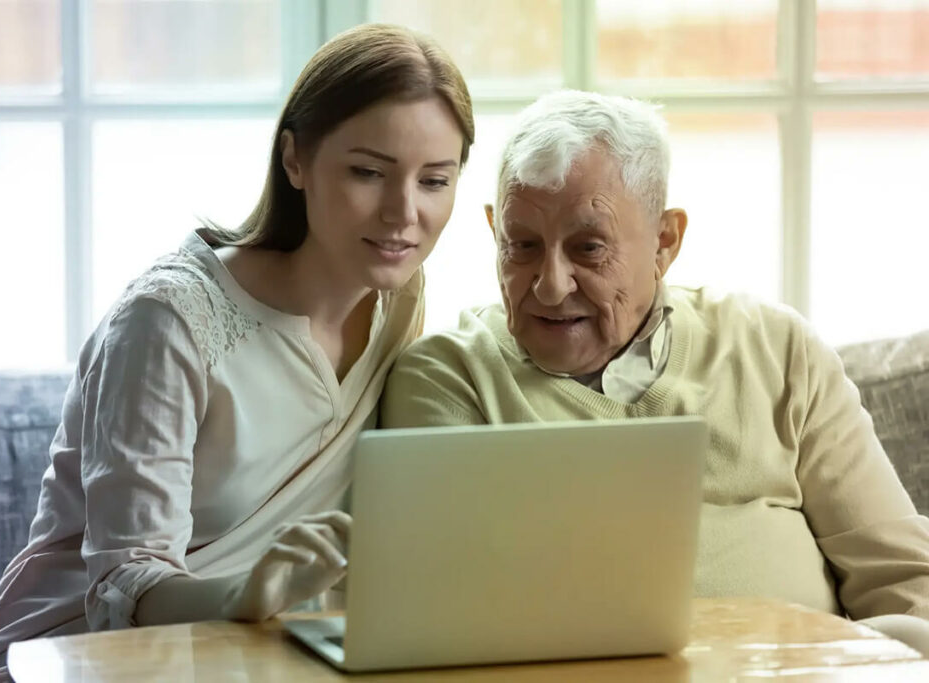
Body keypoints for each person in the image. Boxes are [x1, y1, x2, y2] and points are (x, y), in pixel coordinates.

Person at [0, 23, 474, 683]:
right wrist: (245, 593)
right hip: (71, 659)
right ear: (295, 161)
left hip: (250, 661)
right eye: (368, 172)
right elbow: (121, 584)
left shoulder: (399, 299)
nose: (403, 212)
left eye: (434, 180)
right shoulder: (168, 322)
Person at [380, 89, 929, 654]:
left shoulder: (777, 349)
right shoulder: (448, 379)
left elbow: (901, 578)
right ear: (494, 230)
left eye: (588, 248)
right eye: (522, 245)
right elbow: (448, 616)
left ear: (665, 241)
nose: (550, 284)